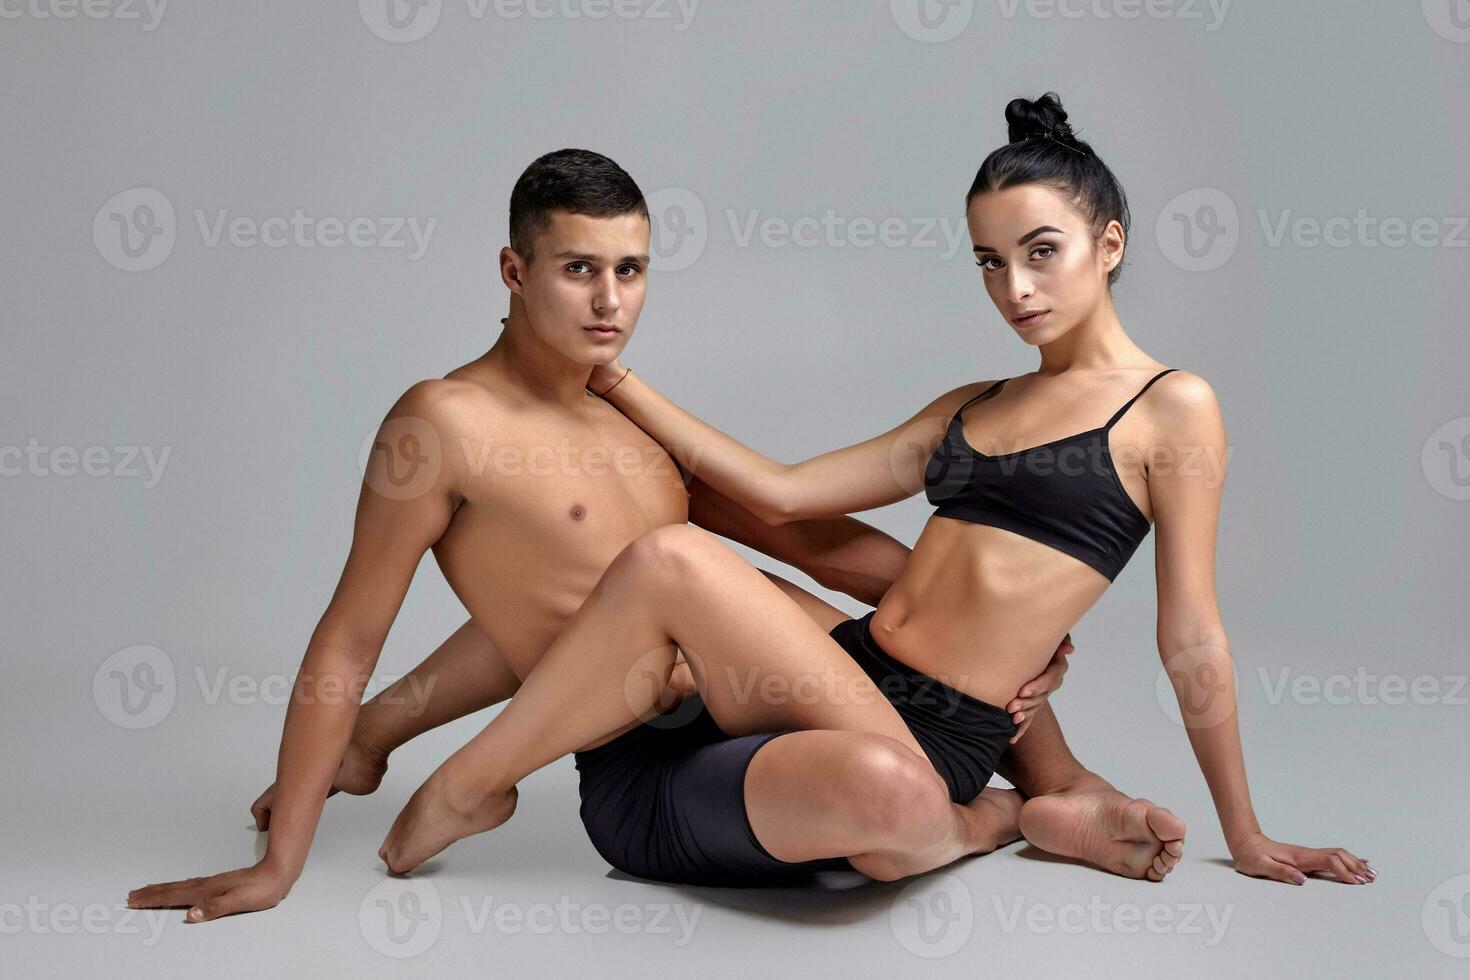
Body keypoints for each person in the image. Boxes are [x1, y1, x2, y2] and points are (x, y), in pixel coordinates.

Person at [127, 147, 1151, 924]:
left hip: (762, 704)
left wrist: (1000, 629)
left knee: (727, 587)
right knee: (692, 604)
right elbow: (353, 632)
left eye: (632, 269)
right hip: (652, 763)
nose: (611, 300)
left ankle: (1060, 792)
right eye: (580, 268)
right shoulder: (442, 425)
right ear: (514, 269)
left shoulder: (629, 419)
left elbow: (815, 545)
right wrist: (283, 860)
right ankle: (1005, 815)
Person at [374, 95, 1374, 890]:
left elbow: (1192, 633)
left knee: (846, 745)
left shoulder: (1172, 408)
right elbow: (782, 493)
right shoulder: (972, 403)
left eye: (1041, 252)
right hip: (845, 667)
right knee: (671, 571)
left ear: (1108, 245)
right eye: (990, 261)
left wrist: (1246, 830)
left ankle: (1012, 806)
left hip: (948, 726)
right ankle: (1013, 812)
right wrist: (618, 383)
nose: (1015, 287)